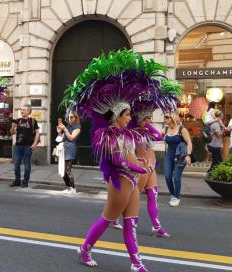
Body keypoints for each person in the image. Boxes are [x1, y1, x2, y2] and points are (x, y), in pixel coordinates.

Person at [61, 50, 182, 272]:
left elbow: (132, 152)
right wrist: (137, 166)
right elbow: (117, 161)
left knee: (131, 223)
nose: (130, 118)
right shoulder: (106, 135)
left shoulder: (129, 134)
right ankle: (85, 248)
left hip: (133, 182)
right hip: (119, 181)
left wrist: (139, 162)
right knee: (107, 219)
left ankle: (137, 263)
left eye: (129, 115)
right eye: (126, 115)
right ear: (116, 116)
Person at [131, 104, 169, 237]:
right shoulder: (133, 132)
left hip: (152, 168)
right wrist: (144, 124)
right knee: (132, 198)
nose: (150, 121)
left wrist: (147, 125)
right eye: (146, 119)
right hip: (141, 167)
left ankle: (156, 225)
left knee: (153, 196)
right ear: (139, 120)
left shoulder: (148, 131)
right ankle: (128, 223)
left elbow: (158, 136)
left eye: (150, 118)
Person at [162, 112, 192, 207]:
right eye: (165, 117)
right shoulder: (166, 129)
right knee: (167, 176)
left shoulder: (181, 129)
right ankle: (173, 195)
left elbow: (189, 142)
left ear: (172, 118)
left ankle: (177, 197)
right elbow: (155, 134)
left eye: (167, 117)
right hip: (169, 156)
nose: (165, 119)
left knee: (176, 177)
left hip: (180, 156)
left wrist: (188, 155)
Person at [10, 104, 39, 188]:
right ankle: (17, 180)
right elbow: (12, 132)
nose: (22, 111)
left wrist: (35, 143)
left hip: (27, 146)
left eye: (24, 110)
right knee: (16, 165)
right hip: (18, 146)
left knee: (27, 165)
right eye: (21, 109)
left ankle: (25, 181)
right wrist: (12, 127)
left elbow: (37, 133)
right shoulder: (18, 121)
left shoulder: (33, 121)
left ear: (28, 111)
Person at [56, 111, 81, 193]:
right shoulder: (68, 127)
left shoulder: (77, 128)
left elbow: (71, 138)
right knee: (62, 171)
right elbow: (60, 139)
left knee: (67, 170)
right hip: (63, 150)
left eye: (71, 117)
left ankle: (73, 188)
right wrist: (59, 132)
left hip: (70, 150)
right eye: (68, 117)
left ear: (76, 118)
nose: (69, 119)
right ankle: (68, 187)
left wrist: (64, 129)